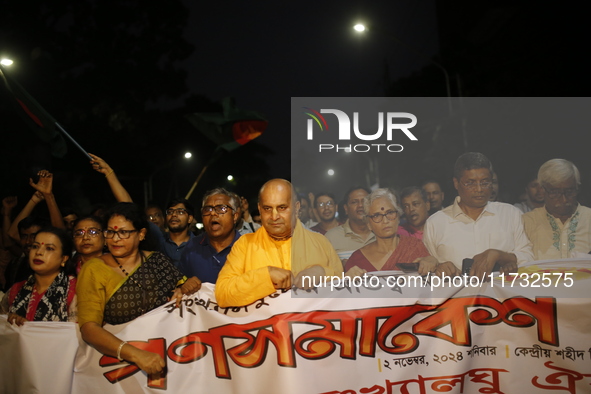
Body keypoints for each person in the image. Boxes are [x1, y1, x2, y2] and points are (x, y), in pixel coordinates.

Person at [77, 202, 200, 375]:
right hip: (122, 366)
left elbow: (184, 287)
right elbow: (89, 328)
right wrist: (136, 355)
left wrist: (189, 285)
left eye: (124, 232)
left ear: (141, 234)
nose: (115, 239)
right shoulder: (94, 269)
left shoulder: (157, 261)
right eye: (110, 232)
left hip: (172, 356)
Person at [215, 179, 343, 308]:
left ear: (297, 207)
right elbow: (223, 294)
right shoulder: (245, 244)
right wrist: (266, 276)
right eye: (267, 208)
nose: (274, 216)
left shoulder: (320, 242)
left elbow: (344, 286)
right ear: (259, 209)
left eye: (282, 208)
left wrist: (322, 273)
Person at [423, 152, 533, 278]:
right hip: (458, 297)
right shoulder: (436, 223)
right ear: (456, 183)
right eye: (470, 183)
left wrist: (500, 256)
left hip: (504, 296)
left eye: (485, 182)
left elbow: (529, 258)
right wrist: (439, 269)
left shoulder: (510, 214)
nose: (479, 189)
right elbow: (428, 267)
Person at [344, 189, 436, 276]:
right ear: (369, 224)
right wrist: (347, 279)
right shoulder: (357, 259)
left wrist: (434, 263)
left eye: (390, 213)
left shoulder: (414, 247)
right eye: (377, 215)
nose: (385, 220)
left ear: (398, 217)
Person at [3, 227, 77, 325]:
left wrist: (32, 328)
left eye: (49, 248)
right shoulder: (16, 290)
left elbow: (77, 333)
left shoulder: (75, 289)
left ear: (64, 258)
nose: (39, 252)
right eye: (35, 246)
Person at [523, 159, 591, 259]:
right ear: (542, 189)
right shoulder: (528, 222)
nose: (563, 200)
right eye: (555, 192)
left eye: (569, 192)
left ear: (577, 188)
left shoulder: (588, 218)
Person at [179, 188, 241, 283]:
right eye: (207, 209)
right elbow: (179, 282)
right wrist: (184, 285)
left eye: (221, 208)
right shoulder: (192, 247)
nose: (212, 213)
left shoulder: (247, 247)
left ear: (235, 216)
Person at [325, 187, 375, 264]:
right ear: (346, 208)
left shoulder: (382, 233)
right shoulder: (331, 237)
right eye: (354, 202)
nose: (360, 205)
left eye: (364, 201)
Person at [162, 198, 196, 268]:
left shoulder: (199, 246)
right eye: (170, 212)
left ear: (189, 219)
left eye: (180, 212)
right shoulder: (159, 242)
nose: (174, 215)